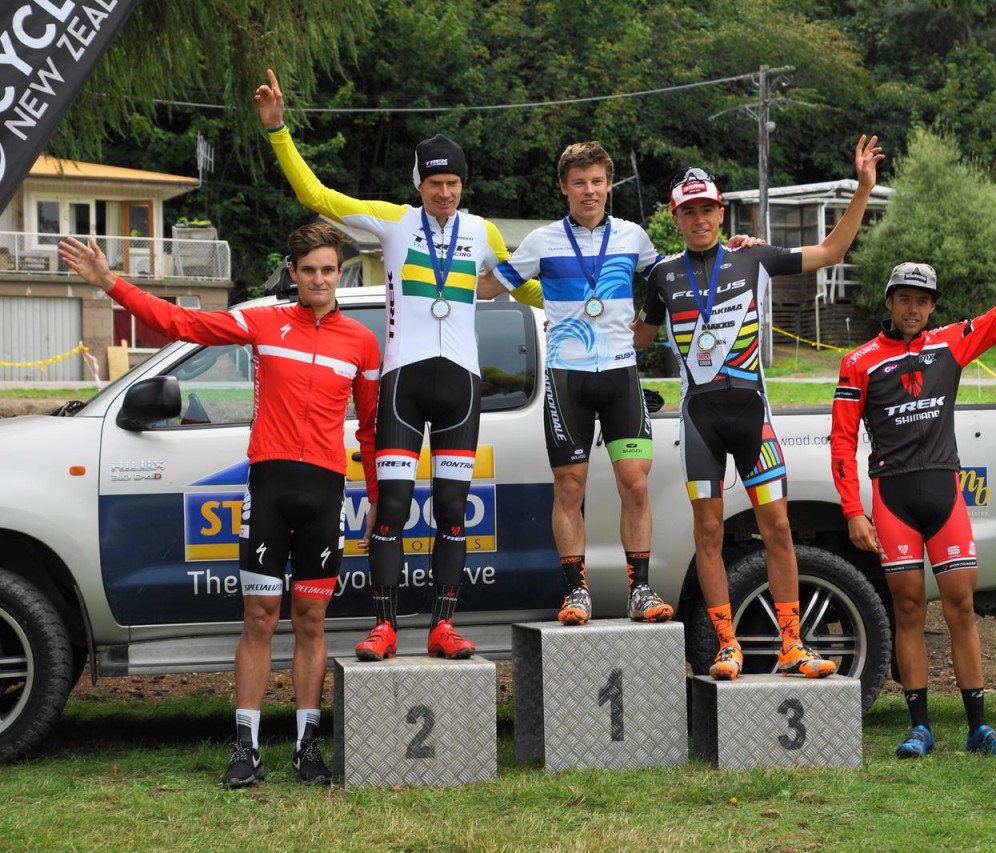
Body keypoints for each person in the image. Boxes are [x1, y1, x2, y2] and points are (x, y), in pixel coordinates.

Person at [58, 223, 380, 788]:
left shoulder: (361, 341)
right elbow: (180, 324)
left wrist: (376, 494)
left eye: (329, 270)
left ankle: (307, 749)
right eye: (309, 270)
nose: (320, 280)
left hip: (326, 493)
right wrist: (109, 282)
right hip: (269, 486)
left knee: (312, 619)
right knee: (259, 618)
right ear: (293, 271)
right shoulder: (262, 322)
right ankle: (246, 747)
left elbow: (373, 426)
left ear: (340, 273)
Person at [255, 69, 541, 663]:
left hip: (461, 385)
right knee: (389, 509)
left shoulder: (483, 232)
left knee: (453, 511)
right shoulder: (391, 221)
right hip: (402, 384)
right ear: (420, 183)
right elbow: (317, 197)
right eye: (436, 183)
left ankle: (444, 625)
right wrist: (279, 130)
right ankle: (383, 626)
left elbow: (520, 287)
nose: (445, 193)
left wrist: (598, 297)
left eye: (454, 182)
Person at [830, 199, 996, 756]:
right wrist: (851, 509)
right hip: (892, 496)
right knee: (909, 608)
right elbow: (842, 441)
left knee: (961, 607)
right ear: (889, 303)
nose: (913, 309)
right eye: (904, 299)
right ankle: (919, 726)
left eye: (922, 300)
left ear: (932, 305)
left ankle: (978, 727)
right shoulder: (859, 361)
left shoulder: (952, 342)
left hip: (944, 491)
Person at [632, 135, 883, 679]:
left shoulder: (754, 257)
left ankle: (793, 643)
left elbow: (831, 253)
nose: (699, 218)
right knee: (709, 533)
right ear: (676, 218)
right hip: (698, 421)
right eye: (688, 211)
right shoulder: (662, 275)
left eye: (707, 209)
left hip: (752, 419)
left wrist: (863, 190)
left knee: (778, 528)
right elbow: (636, 338)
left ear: (721, 213)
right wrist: (576, 317)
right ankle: (727, 645)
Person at [488, 141, 673, 627]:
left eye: (597, 181)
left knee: (635, 483)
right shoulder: (543, 242)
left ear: (609, 184)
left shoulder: (633, 236)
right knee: (569, 489)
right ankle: (577, 593)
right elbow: (489, 286)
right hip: (566, 377)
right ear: (564, 187)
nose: (589, 191)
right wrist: (439, 264)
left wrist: (730, 249)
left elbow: (668, 281)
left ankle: (642, 590)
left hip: (619, 374)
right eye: (579, 182)